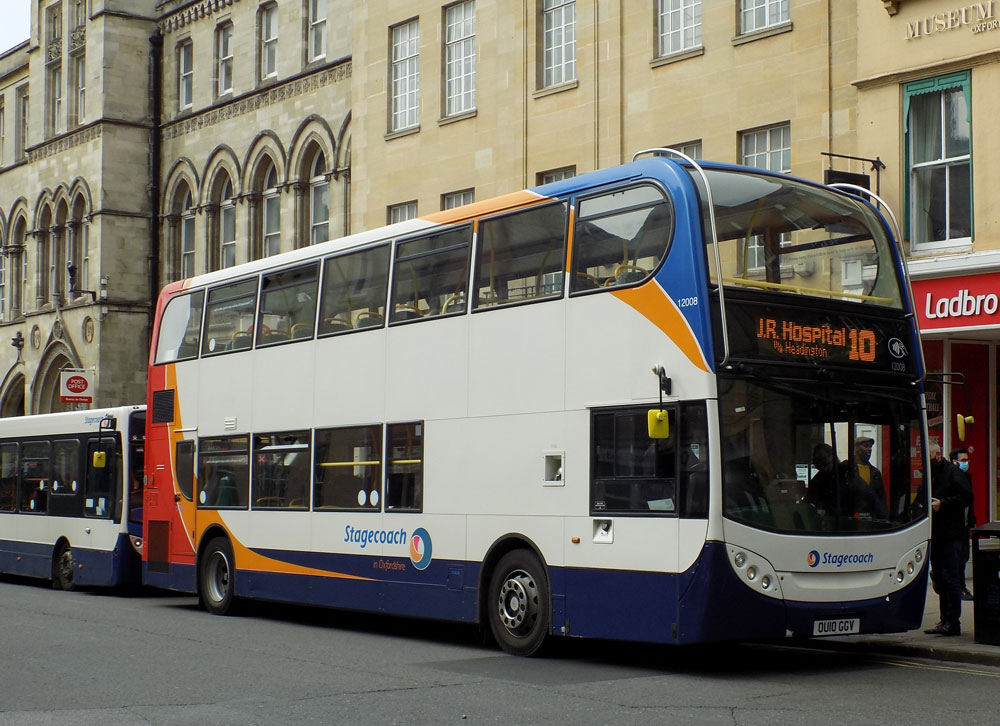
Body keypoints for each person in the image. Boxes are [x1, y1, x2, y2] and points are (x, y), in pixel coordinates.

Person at [924, 442, 973, 636]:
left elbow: (967, 497)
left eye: (928, 456)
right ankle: (944, 620)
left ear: (937, 454)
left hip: (952, 534)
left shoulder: (953, 472)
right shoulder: (932, 473)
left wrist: (943, 504)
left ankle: (952, 622)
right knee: (940, 578)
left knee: (950, 578)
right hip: (936, 534)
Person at [950, 447, 975, 601]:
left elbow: (969, 500)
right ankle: (957, 587)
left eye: (967, 460)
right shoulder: (950, 477)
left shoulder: (967, 477)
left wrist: (971, 518)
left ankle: (961, 586)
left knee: (964, 556)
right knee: (955, 558)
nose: (966, 463)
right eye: (963, 460)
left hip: (965, 524)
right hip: (953, 526)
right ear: (955, 462)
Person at [844, 437, 888, 519]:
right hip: (851, 517)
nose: (869, 449)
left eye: (870, 447)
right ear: (856, 448)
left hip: (871, 517)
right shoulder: (846, 468)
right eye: (866, 446)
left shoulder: (875, 472)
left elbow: (881, 497)